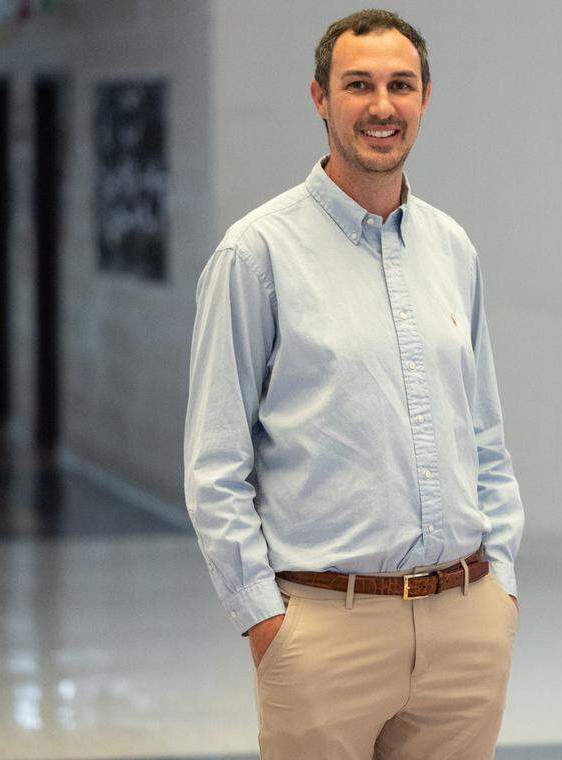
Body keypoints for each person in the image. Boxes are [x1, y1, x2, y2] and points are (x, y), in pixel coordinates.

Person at [183, 9, 524, 759]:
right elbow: (215, 464)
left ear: (425, 98)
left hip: (463, 627)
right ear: (320, 99)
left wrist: (500, 584)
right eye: (358, 84)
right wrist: (266, 621)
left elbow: (485, 434)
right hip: (322, 629)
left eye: (400, 85)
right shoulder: (256, 253)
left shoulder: (452, 248)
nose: (381, 106)